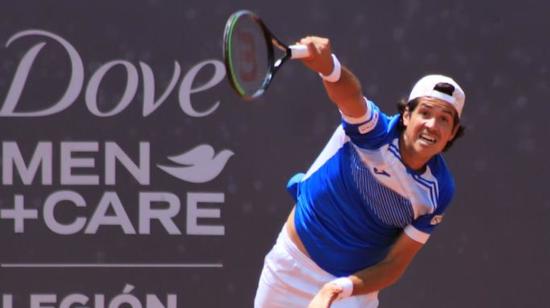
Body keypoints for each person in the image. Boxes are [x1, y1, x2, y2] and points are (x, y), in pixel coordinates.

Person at [254, 36, 466, 308]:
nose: (431, 125)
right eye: (425, 113)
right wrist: (329, 67)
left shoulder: (439, 191)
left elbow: (394, 264)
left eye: (444, 120)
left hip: (348, 293)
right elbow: (350, 95)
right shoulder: (373, 131)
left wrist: (338, 288)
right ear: (406, 116)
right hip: (289, 267)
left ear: (451, 135)